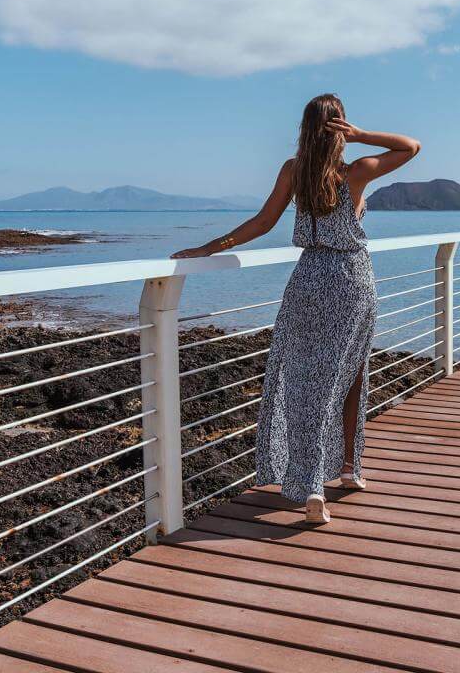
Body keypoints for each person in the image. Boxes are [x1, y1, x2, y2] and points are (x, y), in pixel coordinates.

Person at [172, 94, 421, 523]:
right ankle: (339, 473)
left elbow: (262, 222)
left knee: (302, 376)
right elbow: (410, 146)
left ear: (305, 128)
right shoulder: (355, 172)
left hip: (307, 279)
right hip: (351, 278)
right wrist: (362, 135)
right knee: (348, 373)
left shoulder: (294, 172)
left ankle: (317, 478)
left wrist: (210, 248)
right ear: (339, 126)